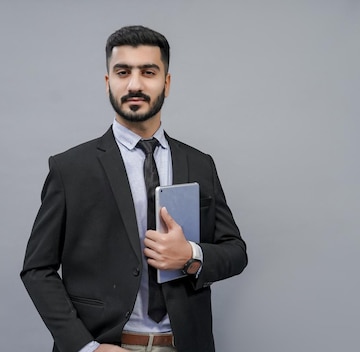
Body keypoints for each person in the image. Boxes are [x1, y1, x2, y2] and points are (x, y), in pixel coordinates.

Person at [21, 25, 247, 352]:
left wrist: (191, 255)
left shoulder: (200, 164)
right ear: (108, 82)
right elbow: (37, 269)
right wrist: (86, 348)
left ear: (166, 83)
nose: (135, 84)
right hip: (106, 345)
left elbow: (235, 251)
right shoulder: (70, 168)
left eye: (149, 72)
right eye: (123, 71)